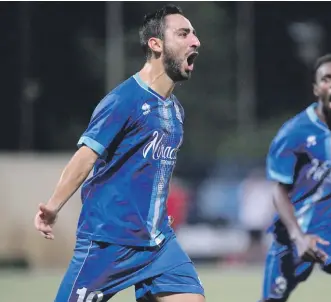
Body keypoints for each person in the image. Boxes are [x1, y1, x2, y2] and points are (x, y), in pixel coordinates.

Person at [33, 4, 204, 302]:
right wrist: (53, 207)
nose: (195, 41)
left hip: (159, 245)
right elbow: (85, 157)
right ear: (156, 44)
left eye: (194, 33)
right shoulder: (124, 100)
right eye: (184, 33)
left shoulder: (175, 110)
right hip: (107, 243)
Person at [261, 54, 331, 302]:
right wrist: (298, 236)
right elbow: (278, 190)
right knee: (273, 298)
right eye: (327, 78)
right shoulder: (293, 133)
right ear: (316, 89)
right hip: (295, 229)